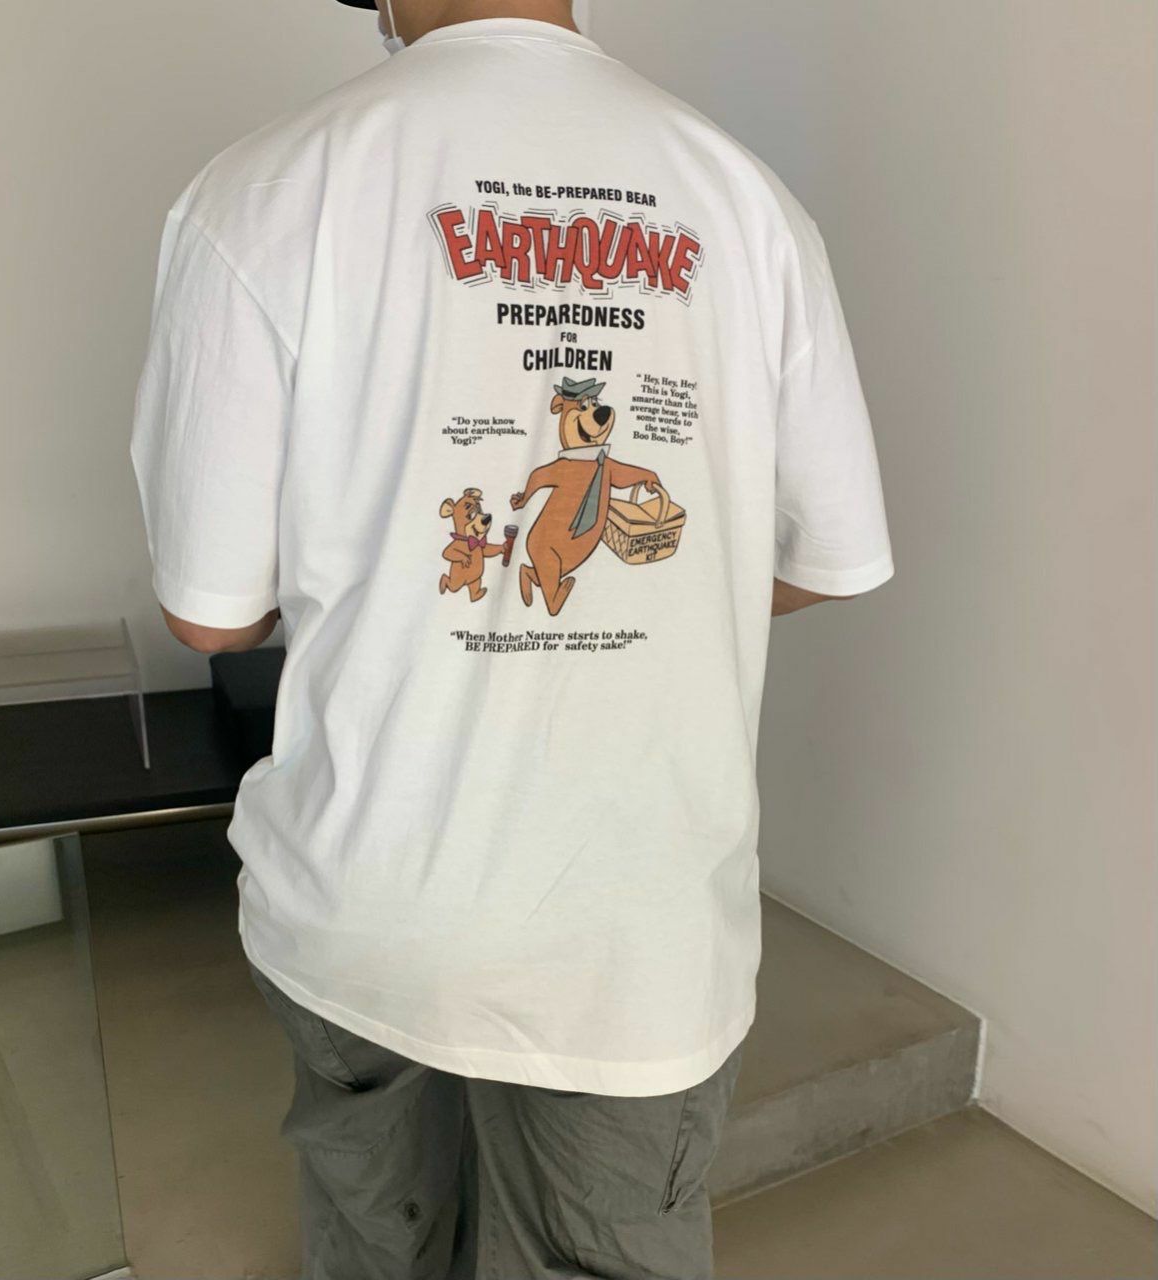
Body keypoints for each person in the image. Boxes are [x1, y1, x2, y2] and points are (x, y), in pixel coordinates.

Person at [129, 1, 894, 1275]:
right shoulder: (745, 198)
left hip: (371, 902)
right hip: (635, 932)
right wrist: (656, 600)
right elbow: (830, 556)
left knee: (380, 1242)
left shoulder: (260, 193)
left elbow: (213, 612)